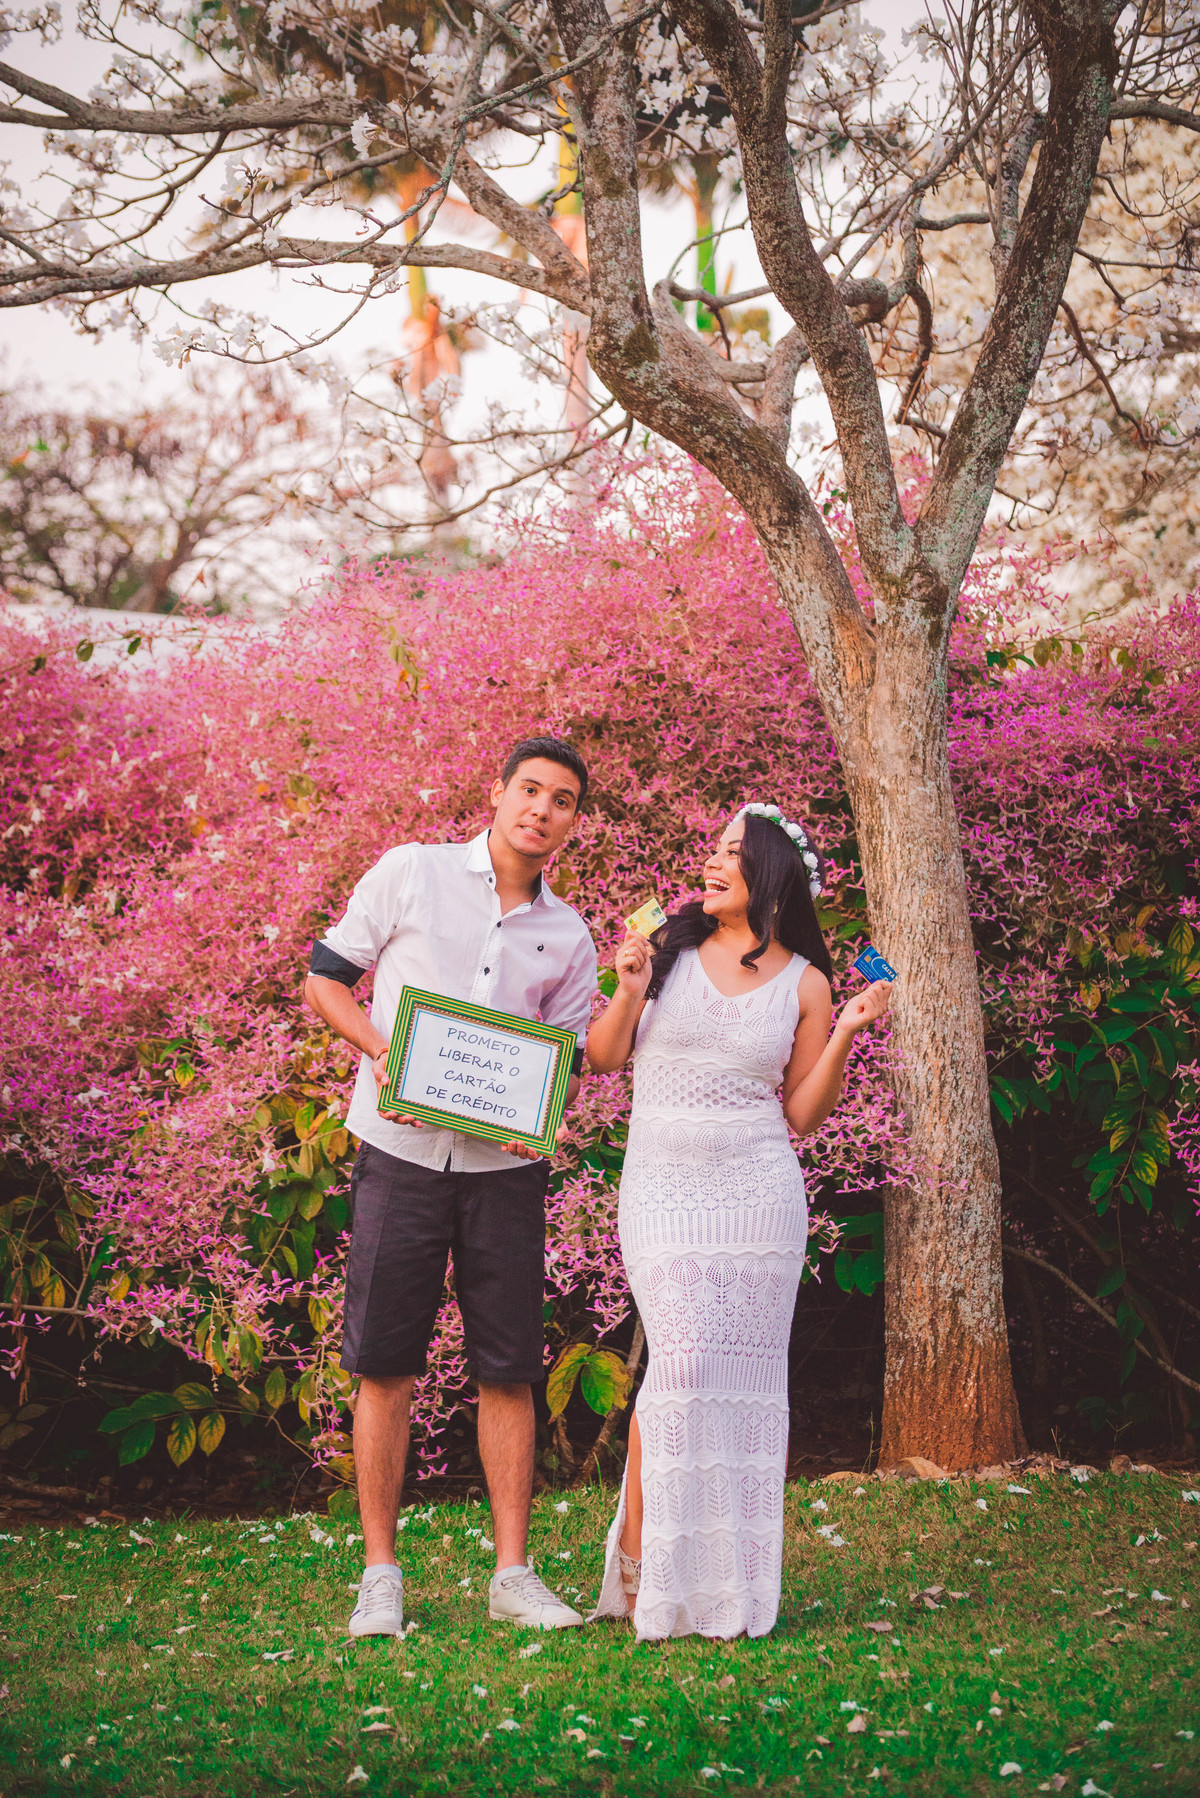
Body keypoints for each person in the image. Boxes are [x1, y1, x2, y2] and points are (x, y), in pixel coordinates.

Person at [303, 736, 598, 1638]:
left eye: (561, 800)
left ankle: (513, 1574)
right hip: (399, 1153)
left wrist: (536, 1109)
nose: (541, 809)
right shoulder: (412, 872)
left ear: (574, 822)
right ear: (498, 793)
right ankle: (380, 1576)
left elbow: (565, 1060)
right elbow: (325, 980)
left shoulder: (570, 935)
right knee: (384, 1361)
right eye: (530, 789)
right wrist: (384, 1052)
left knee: (509, 1366)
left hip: (504, 1172)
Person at [585, 802, 892, 1641]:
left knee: (732, 1385)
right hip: (663, 1189)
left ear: (772, 874)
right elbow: (605, 1058)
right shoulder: (667, 949)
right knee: (681, 1364)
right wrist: (630, 988)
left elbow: (802, 1115)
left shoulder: (809, 983)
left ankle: (720, 1584)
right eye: (714, 851)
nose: (712, 863)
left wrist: (848, 1032)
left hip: (757, 1196)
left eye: (732, 852)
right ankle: (644, 1564)